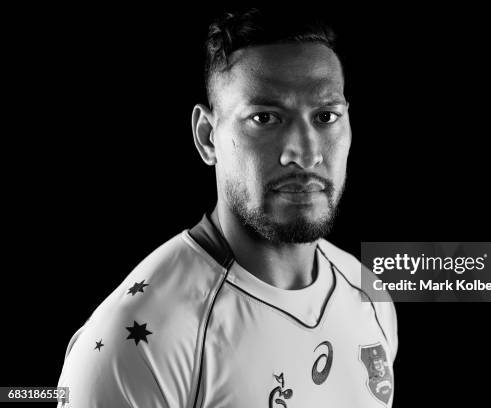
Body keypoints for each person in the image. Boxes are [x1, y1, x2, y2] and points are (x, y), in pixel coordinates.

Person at [57, 8, 398, 408]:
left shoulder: (368, 293)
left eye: (325, 116)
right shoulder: (136, 343)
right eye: (265, 117)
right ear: (207, 137)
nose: (304, 153)